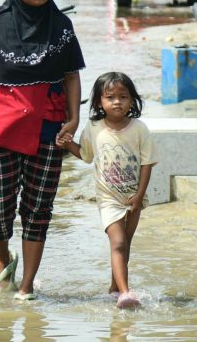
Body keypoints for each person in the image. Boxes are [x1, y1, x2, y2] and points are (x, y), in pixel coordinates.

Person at [0, 0, 85, 301]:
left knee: (38, 208)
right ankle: (4, 257)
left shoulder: (61, 26)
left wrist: (74, 118)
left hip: (51, 129)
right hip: (2, 131)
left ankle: (28, 286)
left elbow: (72, 75)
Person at [56, 72, 156, 309]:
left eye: (123, 96)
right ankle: (125, 292)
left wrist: (140, 195)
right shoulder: (93, 128)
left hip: (134, 196)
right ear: (100, 102)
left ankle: (114, 288)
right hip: (109, 198)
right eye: (110, 97)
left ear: (132, 100)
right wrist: (68, 143)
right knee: (118, 243)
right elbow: (86, 155)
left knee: (125, 245)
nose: (117, 102)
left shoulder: (139, 129)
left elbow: (147, 163)